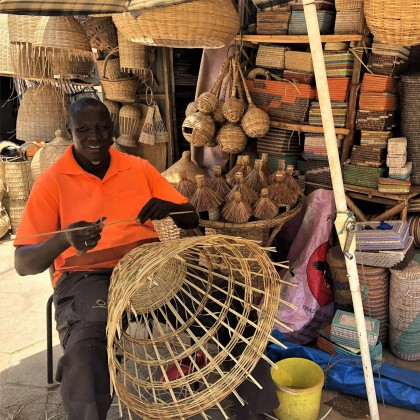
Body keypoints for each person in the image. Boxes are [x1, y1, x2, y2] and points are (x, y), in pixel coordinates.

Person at [14, 98, 278, 420]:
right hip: (88, 277)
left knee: (237, 307)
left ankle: (257, 410)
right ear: (70, 131)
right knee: (86, 352)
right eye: (83, 130)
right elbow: (24, 264)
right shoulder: (51, 183)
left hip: (153, 271)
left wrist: (170, 208)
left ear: (113, 129)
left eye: (101, 128)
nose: (94, 137)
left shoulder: (137, 168)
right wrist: (64, 238)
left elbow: (191, 219)